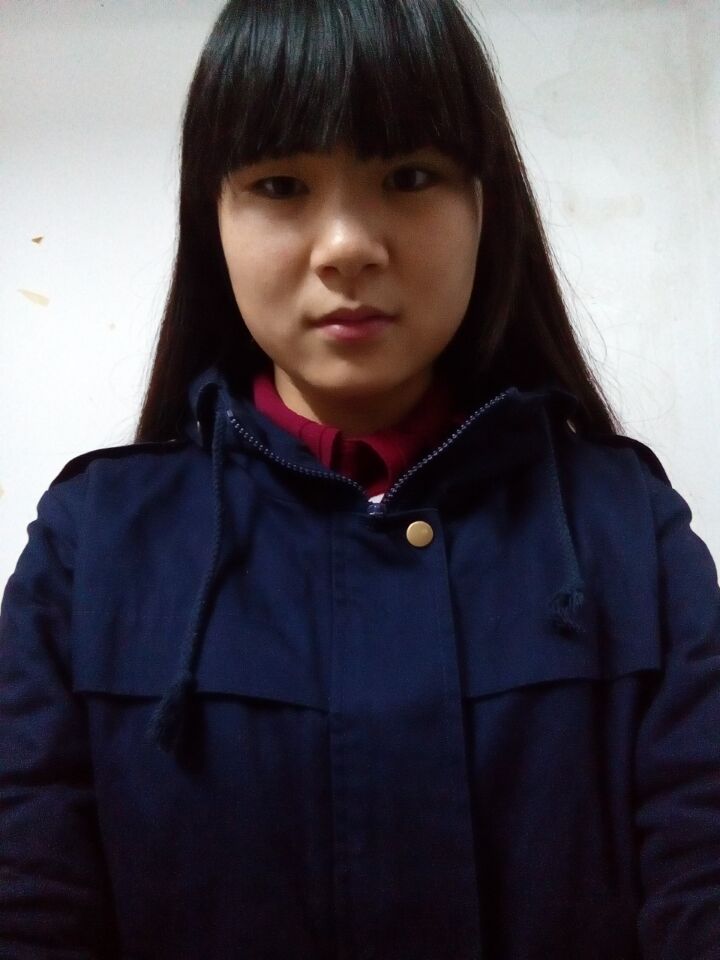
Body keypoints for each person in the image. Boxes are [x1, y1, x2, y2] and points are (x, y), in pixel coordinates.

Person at [1, 0, 718, 957]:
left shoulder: (629, 531)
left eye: (409, 176)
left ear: (484, 207)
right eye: (281, 184)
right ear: (213, 220)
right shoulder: (90, 548)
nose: (346, 245)